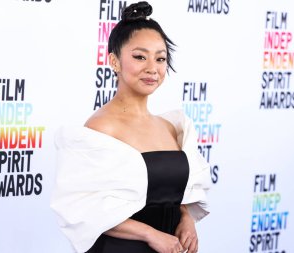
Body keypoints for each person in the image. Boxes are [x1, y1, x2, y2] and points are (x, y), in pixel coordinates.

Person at [51, 2, 211, 253]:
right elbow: (86, 208)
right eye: (139, 56)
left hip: (172, 247)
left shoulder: (171, 127)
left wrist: (186, 218)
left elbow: (170, 192)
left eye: (160, 58)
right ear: (114, 61)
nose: (152, 68)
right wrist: (150, 235)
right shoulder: (100, 128)